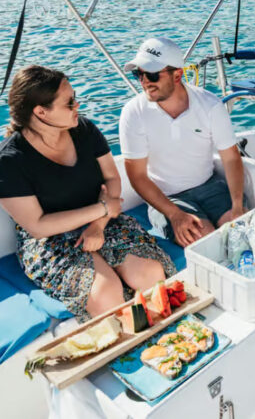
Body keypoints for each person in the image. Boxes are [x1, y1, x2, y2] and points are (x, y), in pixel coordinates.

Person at [0, 66, 176, 322]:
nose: (77, 106)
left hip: (105, 222)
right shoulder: (9, 161)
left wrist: (98, 224)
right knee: (107, 295)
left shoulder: (83, 129)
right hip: (49, 241)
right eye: (69, 102)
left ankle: (173, 336)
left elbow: (112, 178)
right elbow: (38, 226)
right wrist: (102, 208)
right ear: (40, 112)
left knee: (149, 275)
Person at [119, 37, 246, 248]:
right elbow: (137, 176)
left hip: (211, 186)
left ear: (177, 75)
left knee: (241, 235)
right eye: (139, 74)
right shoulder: (133, 113)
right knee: (207, 244)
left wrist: (238, 206)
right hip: (167, 198)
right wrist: (174, 214)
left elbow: (231, 158)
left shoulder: (210, 106)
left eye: (152, 74)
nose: (145, 82)